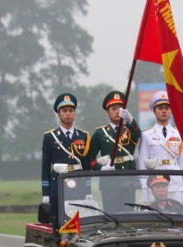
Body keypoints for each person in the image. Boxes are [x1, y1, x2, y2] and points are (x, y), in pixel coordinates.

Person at [41, 93, 92, 228]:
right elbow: (45, 167)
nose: (68, 114)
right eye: (64, 111)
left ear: (74, 113)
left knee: (79, 222)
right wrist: (45, 194)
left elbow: (86, 167)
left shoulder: (83, 136)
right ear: (59, 114)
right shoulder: (50, 137)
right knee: (57, 222)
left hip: (78, 184)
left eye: (71, 111)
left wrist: (88, 191)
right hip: (57, 184)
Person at [88, 91, 141, 212]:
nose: (117, 111)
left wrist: (130, 118)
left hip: (128, 179)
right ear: (108, 113)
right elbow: (89, 159)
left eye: (120, 108)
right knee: (111, 216)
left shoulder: (130, 129)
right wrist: (101, 168)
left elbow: (138, 134)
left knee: (128, 215)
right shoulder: (100, 133)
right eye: (113, 108)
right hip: (109, 181)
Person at [138, 91, 183, 203]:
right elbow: (142, 163)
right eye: (160, 108)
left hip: (176, 183)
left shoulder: (179, 134)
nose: (164, 111)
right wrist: (144, 188)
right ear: (154, 111)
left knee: (176, 216)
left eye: (167, 108)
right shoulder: (146, 135)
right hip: (155, 183)